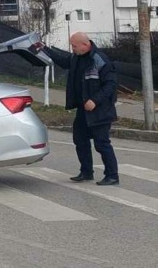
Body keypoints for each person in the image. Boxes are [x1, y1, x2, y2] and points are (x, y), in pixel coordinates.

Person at [38, 33, 119, 186]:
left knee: (101, 143)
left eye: (74, 46)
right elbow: (63, 61)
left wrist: (95, 100)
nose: (72, 48)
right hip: (83, 109)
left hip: (100, 110)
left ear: (85, 45)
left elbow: (111, 84)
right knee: (80, 140)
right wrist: (44, 48)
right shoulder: (76, 57)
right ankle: (86, 172)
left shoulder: (99, 59)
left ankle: (112, 175)